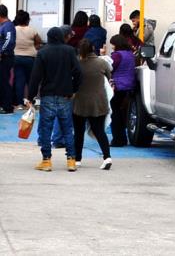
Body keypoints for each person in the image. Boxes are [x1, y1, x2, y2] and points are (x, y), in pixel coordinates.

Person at [27, 26, 82, 172]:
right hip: (66, 95)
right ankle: (71, 160)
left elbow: (35, 77)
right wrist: (74, 89)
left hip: (48, 95)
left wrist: (30, 96)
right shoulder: (70, 51)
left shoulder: (43, 52)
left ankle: (46, 161)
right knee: (67, 129)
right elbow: (78, 72)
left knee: (46, 129)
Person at [72, 39, 112, 170]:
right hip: (98, 102)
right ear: (93, 48)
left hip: (79, 102)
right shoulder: (102, 62)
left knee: (78, 132)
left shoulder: (77, 64)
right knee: (99, 130)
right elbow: (109, 74)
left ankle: (77, 159)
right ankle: (107, 157)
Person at [109, 35, 137, 146]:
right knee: (122, 113)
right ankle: (123, 138)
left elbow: (110, 68)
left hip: (118, 86)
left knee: (114, 113)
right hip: (129, 86)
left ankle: (118, 139)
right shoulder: (130, 54)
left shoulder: (117, 55)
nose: (112, 47)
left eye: (113, 44)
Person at [12, 10, 42, 110]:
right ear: (27, 20)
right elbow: (39, 42)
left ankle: (20, 104)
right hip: (30, 58)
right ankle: (31, 102)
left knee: (19, 81)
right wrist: (33, 47)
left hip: (16, 58)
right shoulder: (32, 30)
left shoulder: (14, 29)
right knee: (31, 81)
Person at [0, 5, 16, 114]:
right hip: (3, 57)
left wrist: (1, 52)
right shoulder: (3, 26)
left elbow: (9, 41)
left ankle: (7, 106)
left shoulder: (8, 26)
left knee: (4, 82)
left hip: (5, 57)